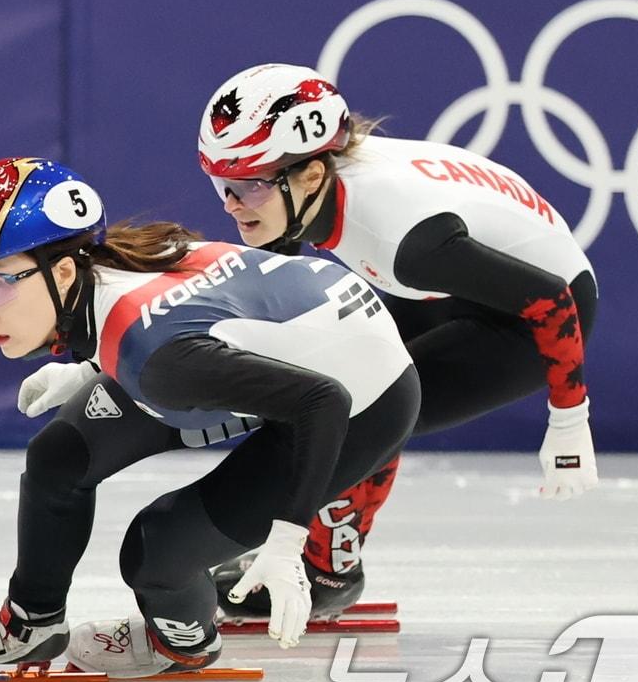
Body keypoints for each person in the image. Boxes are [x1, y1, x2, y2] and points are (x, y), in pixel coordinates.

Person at [0, 157, 419, 678]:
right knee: (59, 455)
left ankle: (184, 644)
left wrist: (288, 540)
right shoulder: (107, 266)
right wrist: (91, 367)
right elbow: (202, 317)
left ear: (64, 271)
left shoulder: (157, 358)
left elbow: (323, 402)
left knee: (156, 551)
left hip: (363, 402)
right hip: (275, 356)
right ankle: (31, 622)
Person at [189, 63, 597, 617]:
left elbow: (552, 300)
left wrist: (569, 420)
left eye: (248, 186)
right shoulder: (320, 190)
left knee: (368, 407)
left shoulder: (398, 236)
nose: (231, 206)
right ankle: (322, 554)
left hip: (534, 317)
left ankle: (329, 572)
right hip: (455, 273)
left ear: (311, 174)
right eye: (221, 185)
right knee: (335, 379)